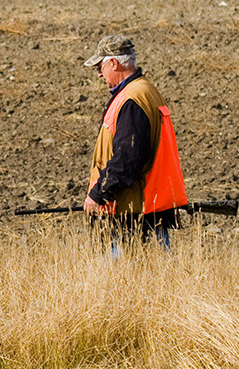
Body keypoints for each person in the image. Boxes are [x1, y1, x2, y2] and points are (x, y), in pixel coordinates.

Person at [81, 35, 188, 255]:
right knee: (158, 278)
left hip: (133, 211)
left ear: (114, 63)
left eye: (100, 66)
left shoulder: (132, 99)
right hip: (150, 205)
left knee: (116, 279)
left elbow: (128, 157)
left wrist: (98, 194)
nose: (99, 74)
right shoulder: (146, 90)